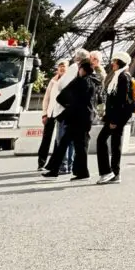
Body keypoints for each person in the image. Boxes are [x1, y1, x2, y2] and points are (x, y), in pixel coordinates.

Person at [41, 59, 101, 180]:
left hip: (76, 118)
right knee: (80, 147)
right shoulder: (95, 82)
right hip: (86, 118)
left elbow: (63, 97)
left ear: (82, 69)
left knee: (64, 144)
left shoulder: (80, 82)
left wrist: (66, 110)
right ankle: (82, 172)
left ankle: (55, 171)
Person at [50, 48, 90, 176]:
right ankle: (69, 168)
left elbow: (61, 86)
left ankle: (62, 167)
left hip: (70, 114)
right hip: (79, 116)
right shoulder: (90, 79)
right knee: (75, 144)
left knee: (64, 141)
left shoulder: (76, 73)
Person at [97, 50, 135, 184]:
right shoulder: (119, 76)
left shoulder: (122, 77)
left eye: (114, 61)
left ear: (120, 63)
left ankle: (108, 172)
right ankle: (115, 173)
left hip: (116, 117)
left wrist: (114, 120)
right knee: (114, 143)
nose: (112, 63)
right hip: (116, 116)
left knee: (102, 140)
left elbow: (120, 101)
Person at [37, 60, 68, 171]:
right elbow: (46, 98)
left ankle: (54, 163)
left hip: (61, 113)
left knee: (58, 139)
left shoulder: (69, 81)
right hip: (50, 112)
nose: (62, 68)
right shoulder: (53, 81)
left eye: (64, 67)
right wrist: (44, 113)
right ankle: (41, 162)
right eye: (60, 66)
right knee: (46, 138)